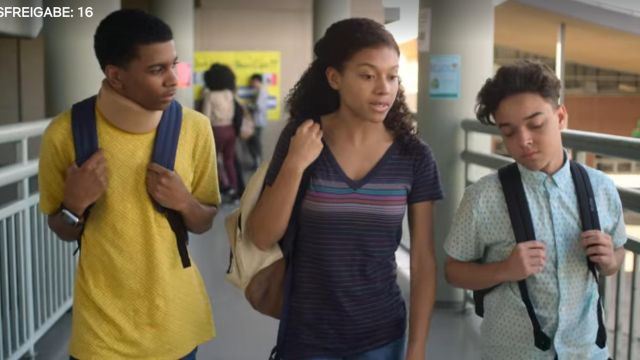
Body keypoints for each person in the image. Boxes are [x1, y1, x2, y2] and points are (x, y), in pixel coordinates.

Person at [246, 18, 443, 360]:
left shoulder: (414, 155)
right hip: (307, 336)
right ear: (334, 78)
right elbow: (261, 236)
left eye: (392, 75)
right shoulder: (303, 136)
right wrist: (295, 164)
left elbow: (424, 261)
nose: (384, 88)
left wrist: (417, 347)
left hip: (382, 337)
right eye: (367, 75)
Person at [38, 9, 220, 360]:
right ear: (116, 77)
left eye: (173, 65)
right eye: (157, 70)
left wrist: (185, 203)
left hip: (175, 324)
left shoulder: (194, 128)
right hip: (101, 332)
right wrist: (74, 206)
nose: (173, 80)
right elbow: (60, 227)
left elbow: (204, 221)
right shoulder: (65, 133)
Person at [444, 60, 627, 359]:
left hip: (588, 351)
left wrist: (610, 261)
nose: (524, 141)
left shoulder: (601, 188)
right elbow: (453, 271)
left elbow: (617, 253)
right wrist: (504, 270)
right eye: (509, 132)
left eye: (536, 124)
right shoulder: (483, 196)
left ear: (561, 116)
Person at [202, 63, 241, 199]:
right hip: (231, 130)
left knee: (213, 160)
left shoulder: (210, 95)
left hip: (217, 130)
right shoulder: (229, 93)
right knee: (229, 160)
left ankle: (223, 185)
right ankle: (234, 188)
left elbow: (205, 117)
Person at [246, 73, 268, 168]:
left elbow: (258, 107)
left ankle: (259, 162)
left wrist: (247, 106)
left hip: (258, 121)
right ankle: (256, 161)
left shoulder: (262, 92)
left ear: (256, 81)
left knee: (255, 141)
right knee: (253, 141)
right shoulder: (258, 91)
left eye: (252, 82)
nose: (251, 84)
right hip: (255, 121)